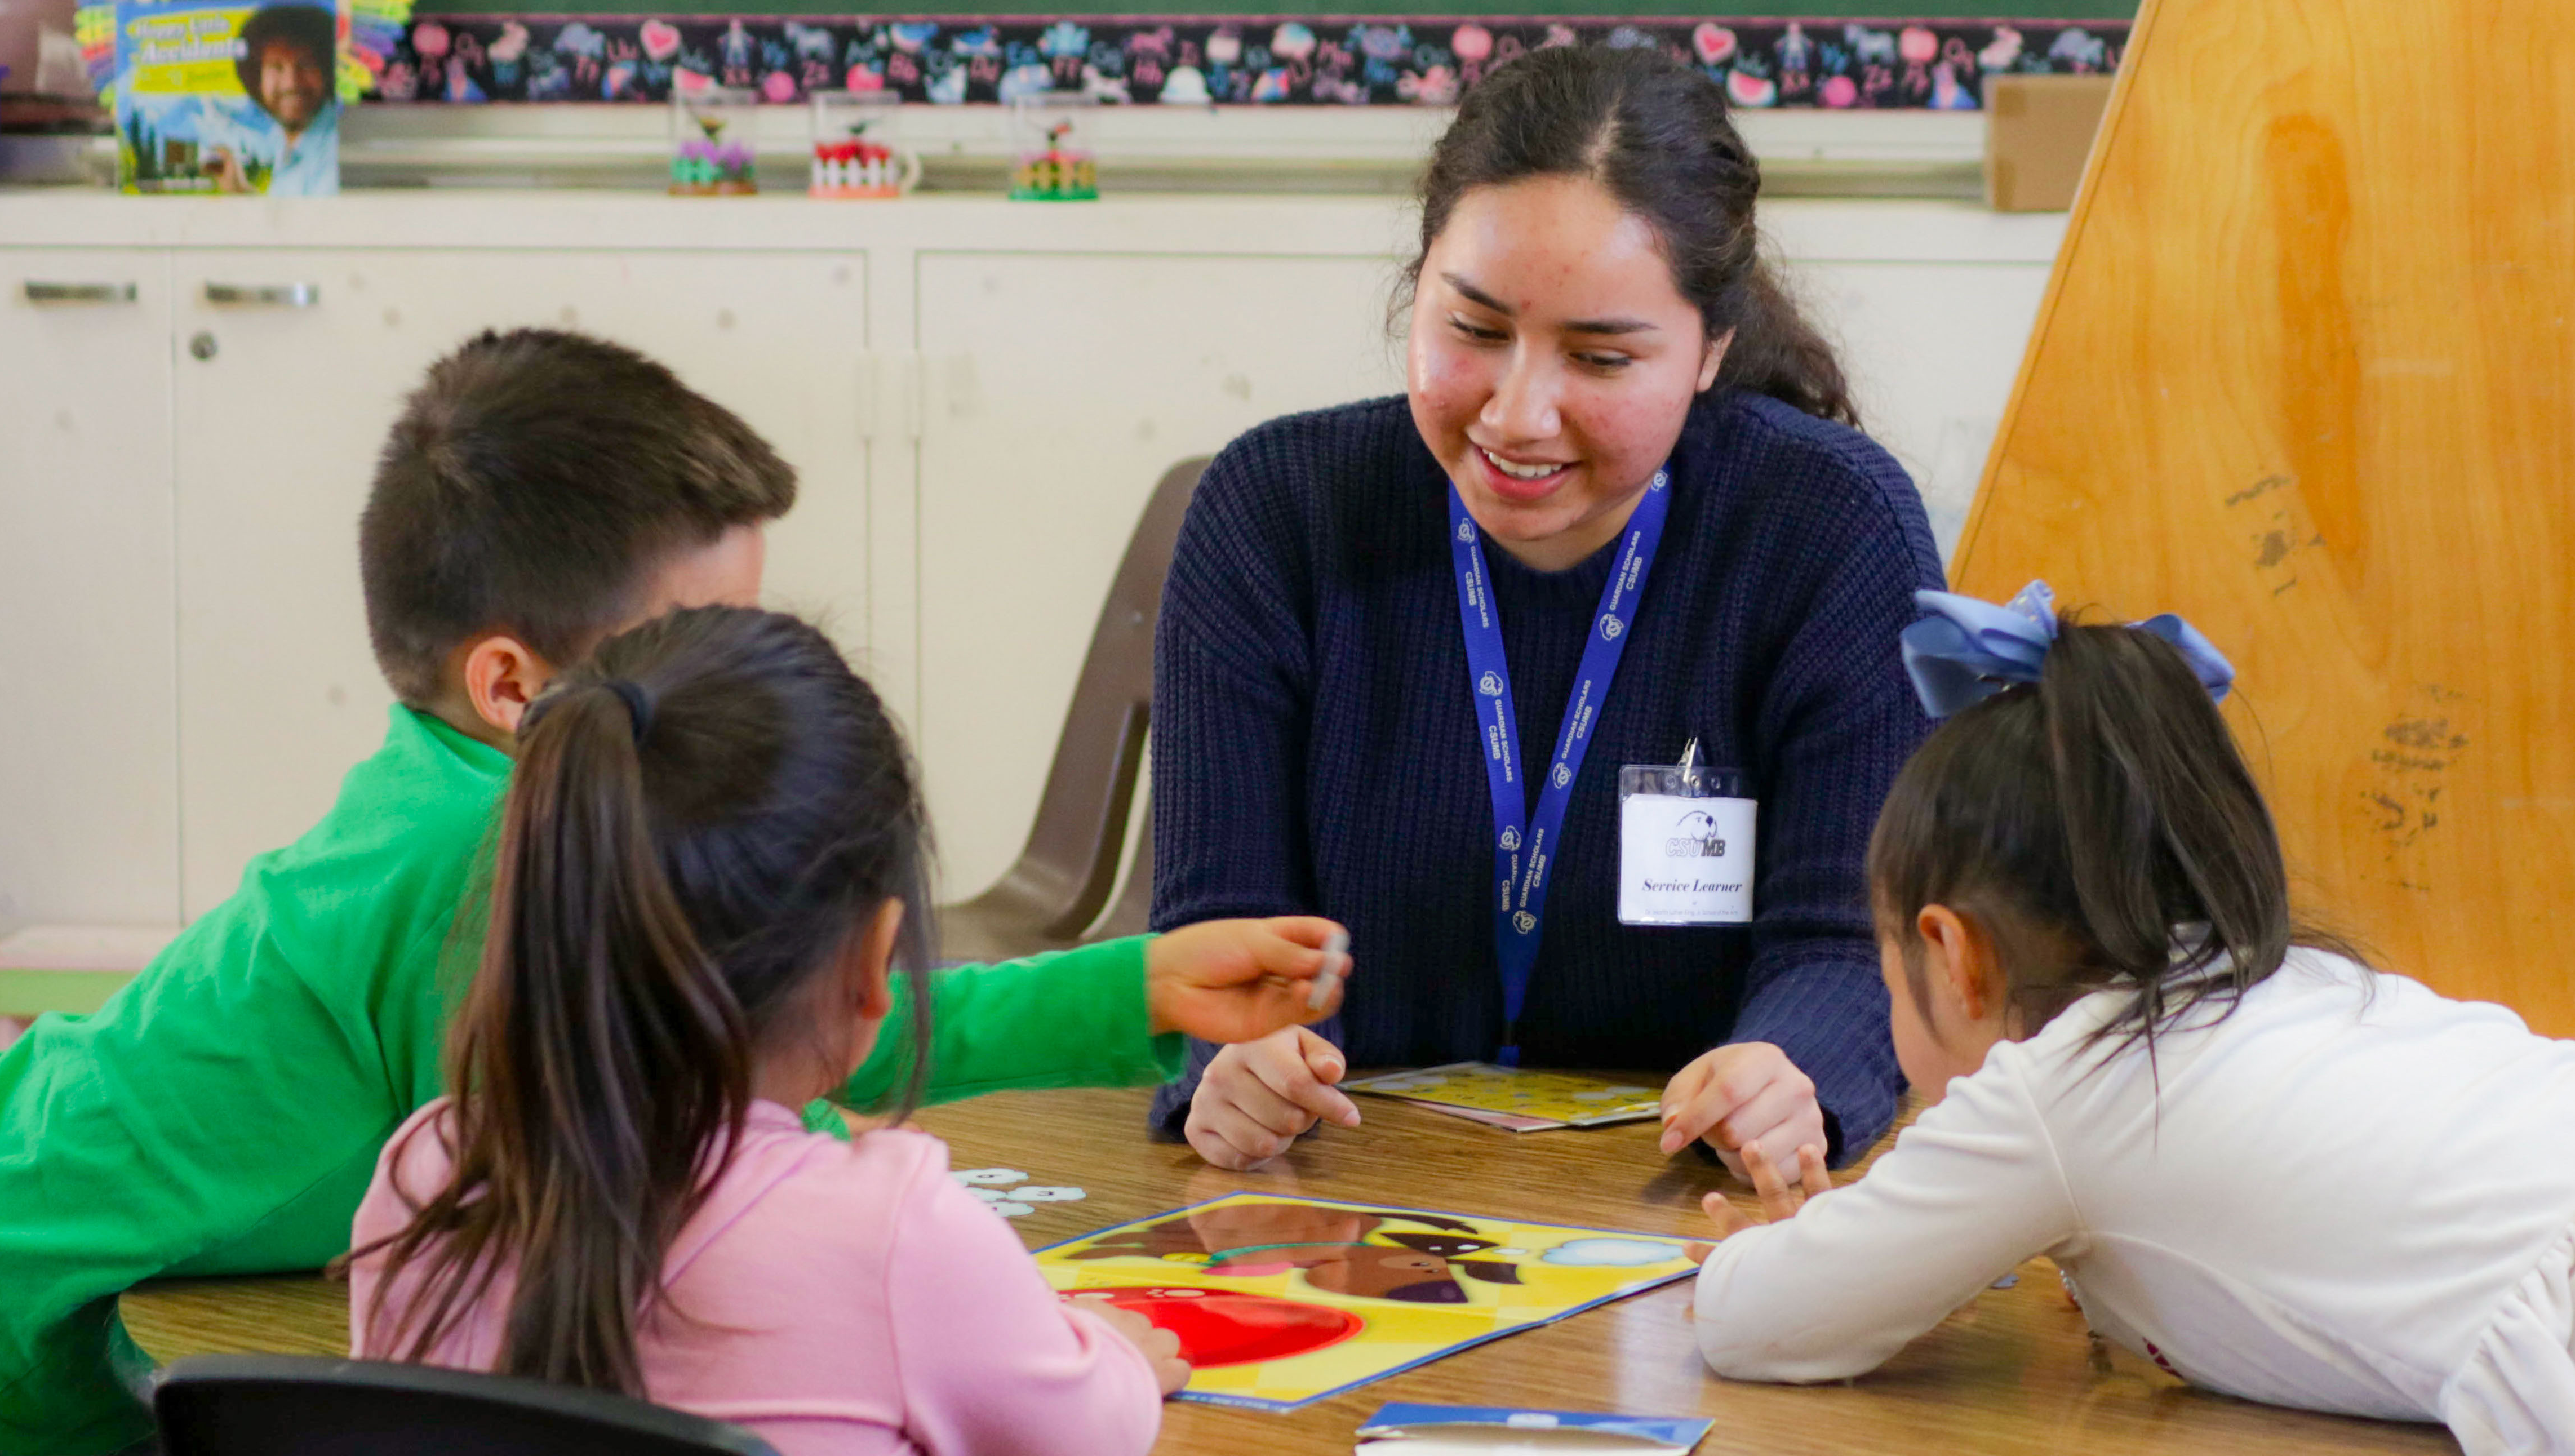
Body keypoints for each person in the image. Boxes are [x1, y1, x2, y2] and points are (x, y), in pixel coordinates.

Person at [0, 329, 1342, 1456]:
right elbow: (755, 1067)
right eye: (687, 644)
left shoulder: (476, 803)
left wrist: (1124, 986)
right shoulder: (497, 852)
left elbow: (767, 1019)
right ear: (510, 686)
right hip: (27, 1329)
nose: (725, 687)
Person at [1149, 43, 1942, 1177]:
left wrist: (1788, 1073)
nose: (1519, 415)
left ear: (1710, 347)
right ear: (1416, 285)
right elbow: (1218, 927)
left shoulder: (1829, 526)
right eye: (1472, 330)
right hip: (1347, 1188)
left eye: (1601, 357)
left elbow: (1850, 939)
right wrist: (1234, 1061)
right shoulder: (1274, 511)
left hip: (1692, 1194)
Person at [1690, 583, 2575, 1455]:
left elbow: (1753, 1326)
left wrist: (1786, 1257)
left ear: (1952, 954)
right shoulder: (2300, 980)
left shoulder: (2056, 1090)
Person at [352, 606, 1228, 1451]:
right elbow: (1090, 1430)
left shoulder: (425, 1172)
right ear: (873, 960)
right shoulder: (894, 1230)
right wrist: (1105, 1348)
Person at [221, 5, 338, 195]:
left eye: (306, 65)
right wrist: (240, 194)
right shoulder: (280, 141)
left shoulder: (335, 148)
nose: (291, 84)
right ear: (258, 79)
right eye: (276, 67)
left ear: (326, 71)